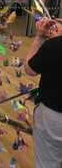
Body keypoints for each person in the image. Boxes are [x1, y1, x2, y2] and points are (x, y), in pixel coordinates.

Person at [24, 17, 62, 168]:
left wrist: (39, 37)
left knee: (46, 163)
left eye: (55, 23)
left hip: (54, 116)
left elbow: (29, 69)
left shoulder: (54, 45)